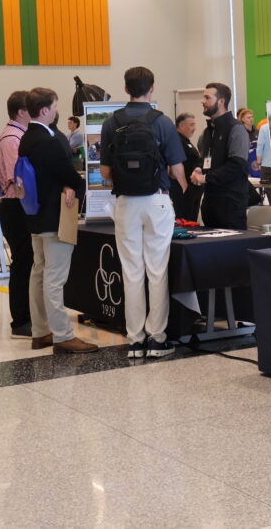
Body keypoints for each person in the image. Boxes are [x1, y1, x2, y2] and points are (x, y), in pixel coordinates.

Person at [100, 66, 187, 359]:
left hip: (126, 202)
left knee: (132, 270)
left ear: (126, 89)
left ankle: (135, 340)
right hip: (157, 200)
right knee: (157, 269)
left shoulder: (112, 122)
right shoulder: (162, 122)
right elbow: (176, 169)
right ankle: (157, 339)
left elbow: (105, 172)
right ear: (152, 89)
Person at [18, 87, 96, 354]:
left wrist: (66, 182)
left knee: (38, 272)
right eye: (53, 106)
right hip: (54, 215)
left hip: (35, 216)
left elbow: (47, 174)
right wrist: (77, 184)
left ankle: (40, 331)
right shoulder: (47, 140)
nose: (56, 111)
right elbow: (66, 172)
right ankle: (63, 335)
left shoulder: (27, 137)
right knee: (54, 277)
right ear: (44, 110)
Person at [0, 91, 34, 338]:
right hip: (16, 206)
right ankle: (20, 320)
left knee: (28, 261)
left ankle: (29, 315)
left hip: (19, 205)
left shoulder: (18, 136)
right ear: (21, 111)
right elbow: (17, 181)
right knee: (22, 262)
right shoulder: (11, 139)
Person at [192, 82, 249, 229]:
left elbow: (236, 166)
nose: (202, 101)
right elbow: (204, 159)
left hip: (230, 205)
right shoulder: (208, 131)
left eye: (207, 98)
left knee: (231, 251)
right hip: (210, 204)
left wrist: (206, 178)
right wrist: (198, 169)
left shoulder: (236, 129)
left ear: (221, 101)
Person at [171, 113, 203, 221]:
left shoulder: (185, 141)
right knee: (185, 221)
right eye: (191, 125)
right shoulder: (176, 141)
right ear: (181, 125)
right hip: (183, 191)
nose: (194, 128)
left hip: (192, 190)